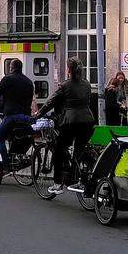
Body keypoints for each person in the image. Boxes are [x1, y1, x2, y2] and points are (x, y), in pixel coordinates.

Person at [35, 58, 95, 194]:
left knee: (59, 150)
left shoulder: (65, 85)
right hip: (88, 121)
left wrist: (38, 114)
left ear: (68, 69)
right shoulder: (86, 84)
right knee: (80, 149)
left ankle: (57, 184)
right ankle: (79, 177)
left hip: (70, 122)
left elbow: (51, 102)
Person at [0, 59, 35, 166]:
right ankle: (17, 157)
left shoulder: (7, 79)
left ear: (11, 68)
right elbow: (29, 99)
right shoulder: (28, 82)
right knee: (22, 136)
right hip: (25, 116)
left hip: (11, 115)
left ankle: (5, 164)